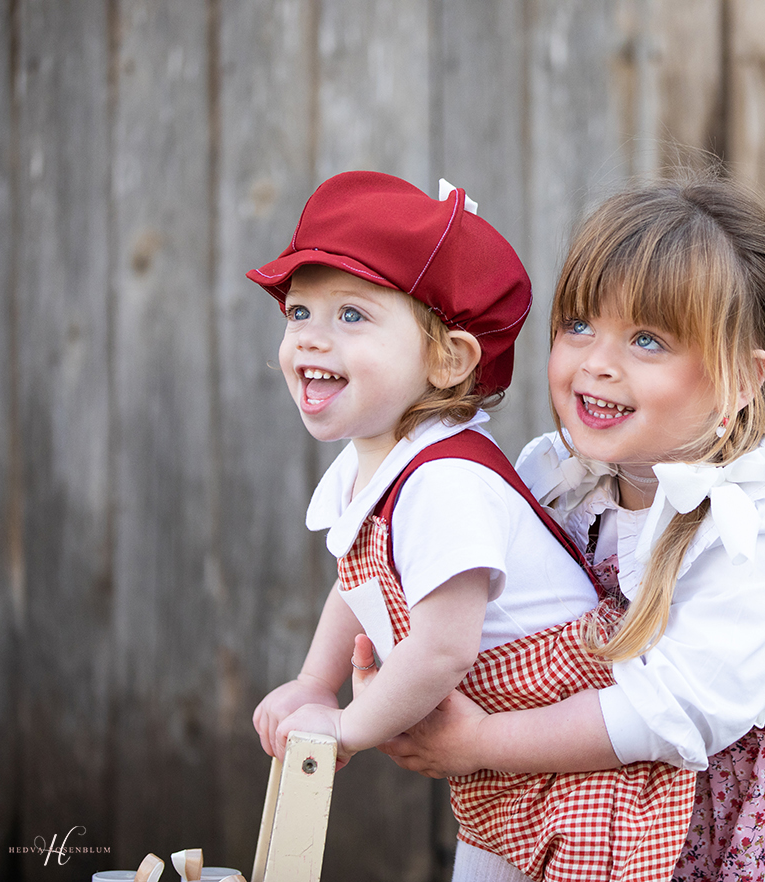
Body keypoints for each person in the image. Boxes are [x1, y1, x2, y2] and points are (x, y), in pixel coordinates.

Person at [382, 177, 765, 881]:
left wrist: (477, 740)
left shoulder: (760, 518)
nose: (596, 362)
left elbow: (680, 709)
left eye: (647, 340)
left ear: (738, 379)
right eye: (577, 325)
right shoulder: (560, 476)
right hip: (643, 748)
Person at [246, 170, 605, 779]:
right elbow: (359, 582)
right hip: (507, 744)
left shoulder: (446, 481)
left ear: (447, 360)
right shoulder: (385, 462)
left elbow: (443, 646)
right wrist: (315, 683)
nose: (309, 337)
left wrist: (347, 730)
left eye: (351, 315)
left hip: (571, 742)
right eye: (300, 310)